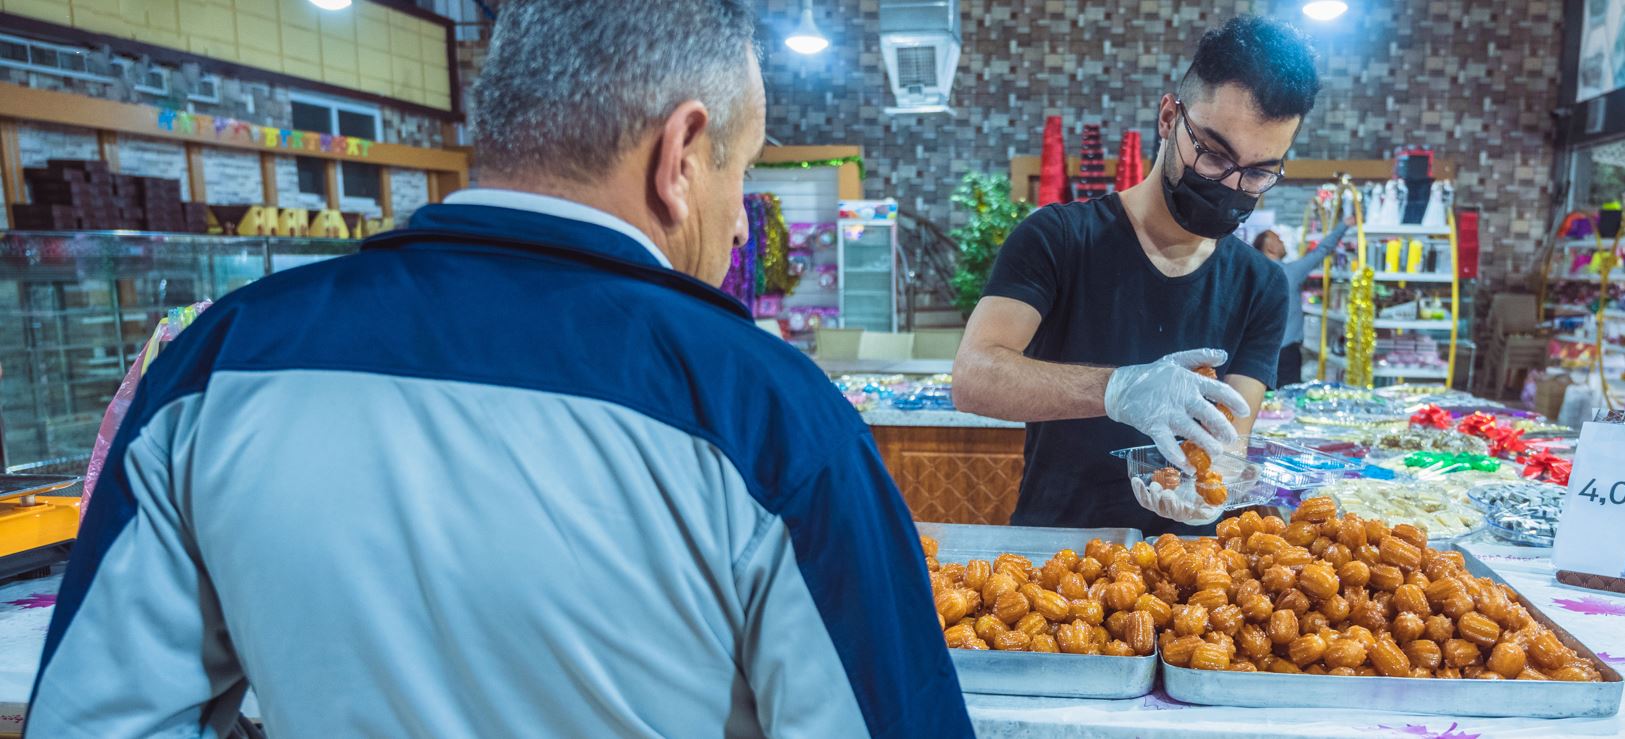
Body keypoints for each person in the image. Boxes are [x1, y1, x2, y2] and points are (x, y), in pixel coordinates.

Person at [26, 2, 969, 737]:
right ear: (680, 155)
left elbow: (95, 713)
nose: (736, 223)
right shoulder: (766, 415)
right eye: (744, 172)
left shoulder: (210, 372)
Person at [954, 16, 1319, 533]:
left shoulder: (1262, 284)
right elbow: (973, 378)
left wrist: (1214, 484)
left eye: (1258, 172)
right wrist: (1118, 389)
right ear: (1169, 117)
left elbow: (1231, 437)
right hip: (1057, 559)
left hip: (1191, 580)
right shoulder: (1058, 238)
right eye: (1213, 154)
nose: (1230, 184)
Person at [1260, 219, 1354, 388]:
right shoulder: (1288, 273)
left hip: (1259, 349)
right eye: (1279, 240)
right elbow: (1321, 251)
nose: (1283, 243)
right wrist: (1344, 224)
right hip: (1286, 350)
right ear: (1270, 247)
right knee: (1288, 397)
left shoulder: (1252, 273)